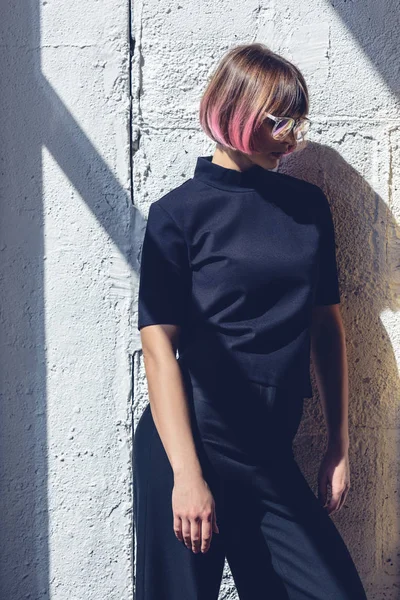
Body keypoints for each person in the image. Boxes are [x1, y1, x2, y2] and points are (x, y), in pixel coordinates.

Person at [133, 42, 368, 600]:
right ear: (236, 112)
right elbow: (159, 346)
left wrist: (339, 442)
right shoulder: (177, 214)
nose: (293, 135)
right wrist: (187, 475)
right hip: (189, 443)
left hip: (268, 453)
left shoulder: (307, 207)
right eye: (278, 119)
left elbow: (327, 328)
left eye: (297, 120)